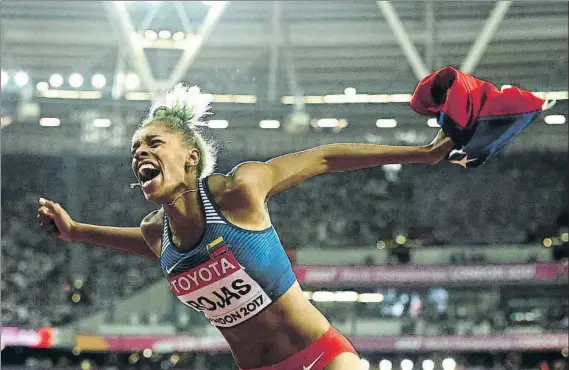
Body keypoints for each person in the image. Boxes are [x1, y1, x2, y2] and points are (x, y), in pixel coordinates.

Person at [38, 83, 454, 370]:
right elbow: (143, 245)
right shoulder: (156, 232)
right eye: (135, 148)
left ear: (191, 158)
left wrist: (425, 153)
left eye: (153, 142)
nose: (140, 152)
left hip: (323, 357)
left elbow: (324, 158)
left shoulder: (237, 192)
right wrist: (76, 232)